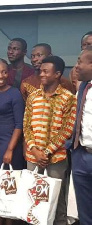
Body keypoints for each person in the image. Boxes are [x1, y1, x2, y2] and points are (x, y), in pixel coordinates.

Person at [23, 56, 76, 225]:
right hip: (33, 157)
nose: (41, 74)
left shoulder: (68, 98)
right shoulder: (33, 97)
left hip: (56, 159)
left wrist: (45, 153)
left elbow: (67, 129)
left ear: (58, 74)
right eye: (40, 71)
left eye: (46, 71)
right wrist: (35, 150)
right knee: (33, 198)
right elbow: (26, 126)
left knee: (57, 199)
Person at [0, 58, 24, 225]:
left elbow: (19, 124)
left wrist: (10, 149)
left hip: (8, 144)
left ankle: (8, 222)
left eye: (3, 72)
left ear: (8, 73)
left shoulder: (14, 92)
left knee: (9, 187)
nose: (0, 75)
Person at [70, 46, 92, 225]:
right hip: (80, 154)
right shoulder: (83, 86)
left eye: (80, 62)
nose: (76, 66)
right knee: (84, 209)